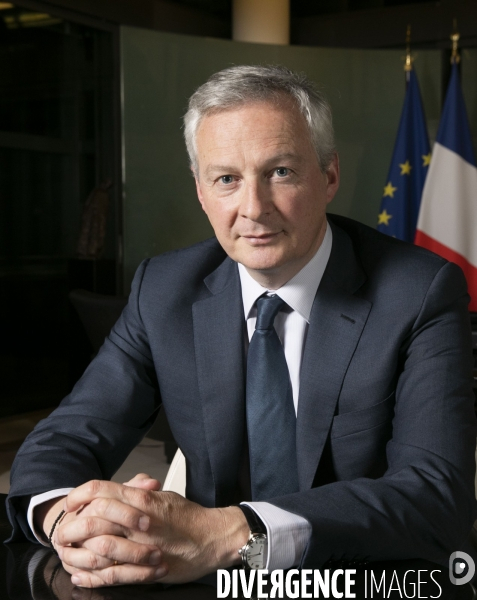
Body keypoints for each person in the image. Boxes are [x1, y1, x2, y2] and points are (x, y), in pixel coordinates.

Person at [6, 65, 477, 588]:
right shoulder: (164, 288)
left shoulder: (419, 291)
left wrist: (227, 532)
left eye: (280, 172)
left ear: (329, 176)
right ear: (201, 191)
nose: (253, 208)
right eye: (226, 178)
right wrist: (74, 525)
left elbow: (436, 496)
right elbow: (65, 439)